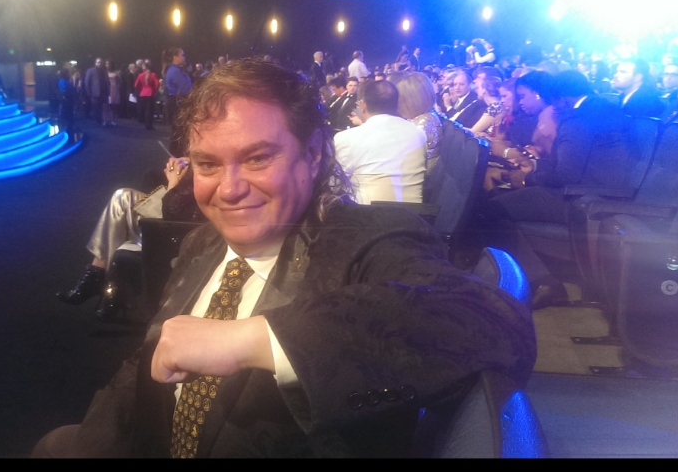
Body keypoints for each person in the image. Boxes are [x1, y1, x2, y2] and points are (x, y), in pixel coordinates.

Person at [32, 58, 536, 458]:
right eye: (208, 164)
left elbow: (492, 321)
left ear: (314, 154)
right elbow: (147, 362)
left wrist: (257, 338)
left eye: (258, 158)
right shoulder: (201, 243)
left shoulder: (369, 239)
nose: (228, 190)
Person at [481, 70, 635, 309]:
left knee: (492, 208)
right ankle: (538, 279)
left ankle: (543, 282)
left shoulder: (579, 120)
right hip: (591, 193)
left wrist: (525, 179)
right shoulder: (599, 109)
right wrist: (530, 171)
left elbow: (565, 175)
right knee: (502, 204)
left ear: (561, 100)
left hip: (583, 200)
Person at [56, 156, 207, 320]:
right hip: (178, 210)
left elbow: (173, 213)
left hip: (181, 227)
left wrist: (174, 181)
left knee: (121, 206)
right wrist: (187, 162)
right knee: (122, 197)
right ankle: (101, 279)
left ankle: (98, 278)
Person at [334, 79, 427, 204]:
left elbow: (334, 186)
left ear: (364, 106)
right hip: (413, 218)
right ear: (397, 105)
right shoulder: (419, 134)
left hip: (364, 219)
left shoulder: (346, 138)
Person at [394, 72, 442, 175]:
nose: (397, 105)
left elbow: (398, 159)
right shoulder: (425, 117)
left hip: (415, 181)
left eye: (400, 100)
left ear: (412, 101)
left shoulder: (423, 124)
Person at [163, 47, 192, 154]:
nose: (184, 57)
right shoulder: (175, 71)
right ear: (175, 57)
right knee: (180, 130)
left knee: (179, 129)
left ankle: (176, 152)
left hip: (177, 101)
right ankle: (177, 154)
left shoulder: (176, 70)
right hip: (178, 102)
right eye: (182, 55)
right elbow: (185, 89)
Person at [467, 67, 505, 135]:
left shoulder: (494, 107)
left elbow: (472, 132)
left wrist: (455, 126)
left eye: (478, 88)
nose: (476, 90)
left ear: (484, 89)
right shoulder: (496, 106)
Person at [135, 61, 160, 130]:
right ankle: (149, 125)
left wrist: (142, 89)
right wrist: (154, 89)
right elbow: (157, 84)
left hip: (143, 93)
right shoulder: (153, 75)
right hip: (150, 93)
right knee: (150, 110)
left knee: (144, 109)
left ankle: (144, 122)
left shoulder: (140, 75)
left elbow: (136, 85)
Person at [85, 58, 110, 126]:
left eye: (101, 62)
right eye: (98, 62)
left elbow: (107, 81)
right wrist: (89, 93)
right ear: (95, 63)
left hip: (103, 92)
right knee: (96, 108)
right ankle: (98, 121)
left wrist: (108, 91)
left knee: (103, 107)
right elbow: (87, 82)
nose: (100, 64)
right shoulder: (91, 71)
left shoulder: (104, 71)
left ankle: (102, 120)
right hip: (95, 93)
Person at [106, 59, 121, 126]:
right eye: (106, 64)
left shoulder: (116, 73)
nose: (107, 65)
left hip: (114, 89)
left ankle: (112, 120)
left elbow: (119, 81)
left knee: (113, 106)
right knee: (105, 105)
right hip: (106, 89)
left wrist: (117, 87)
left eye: (109, 63)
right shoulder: (104, 72)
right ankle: (105, 120)